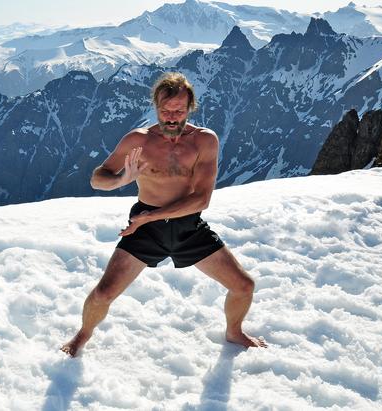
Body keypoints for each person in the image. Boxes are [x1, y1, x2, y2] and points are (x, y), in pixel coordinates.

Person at [61, 72, 267, 357]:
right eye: (164, 110)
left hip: (186, 225)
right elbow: (98, 178)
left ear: (190, 108)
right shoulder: (138, 140)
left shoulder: (204, 141)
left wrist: (151, 217)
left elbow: (201, 199)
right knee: (103, 293)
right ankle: (81, 336)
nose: (171, 117)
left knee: (244, 286)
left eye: (178, 110)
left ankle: (234, 331)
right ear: (155, 107)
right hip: (144, 228)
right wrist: (121, 180)